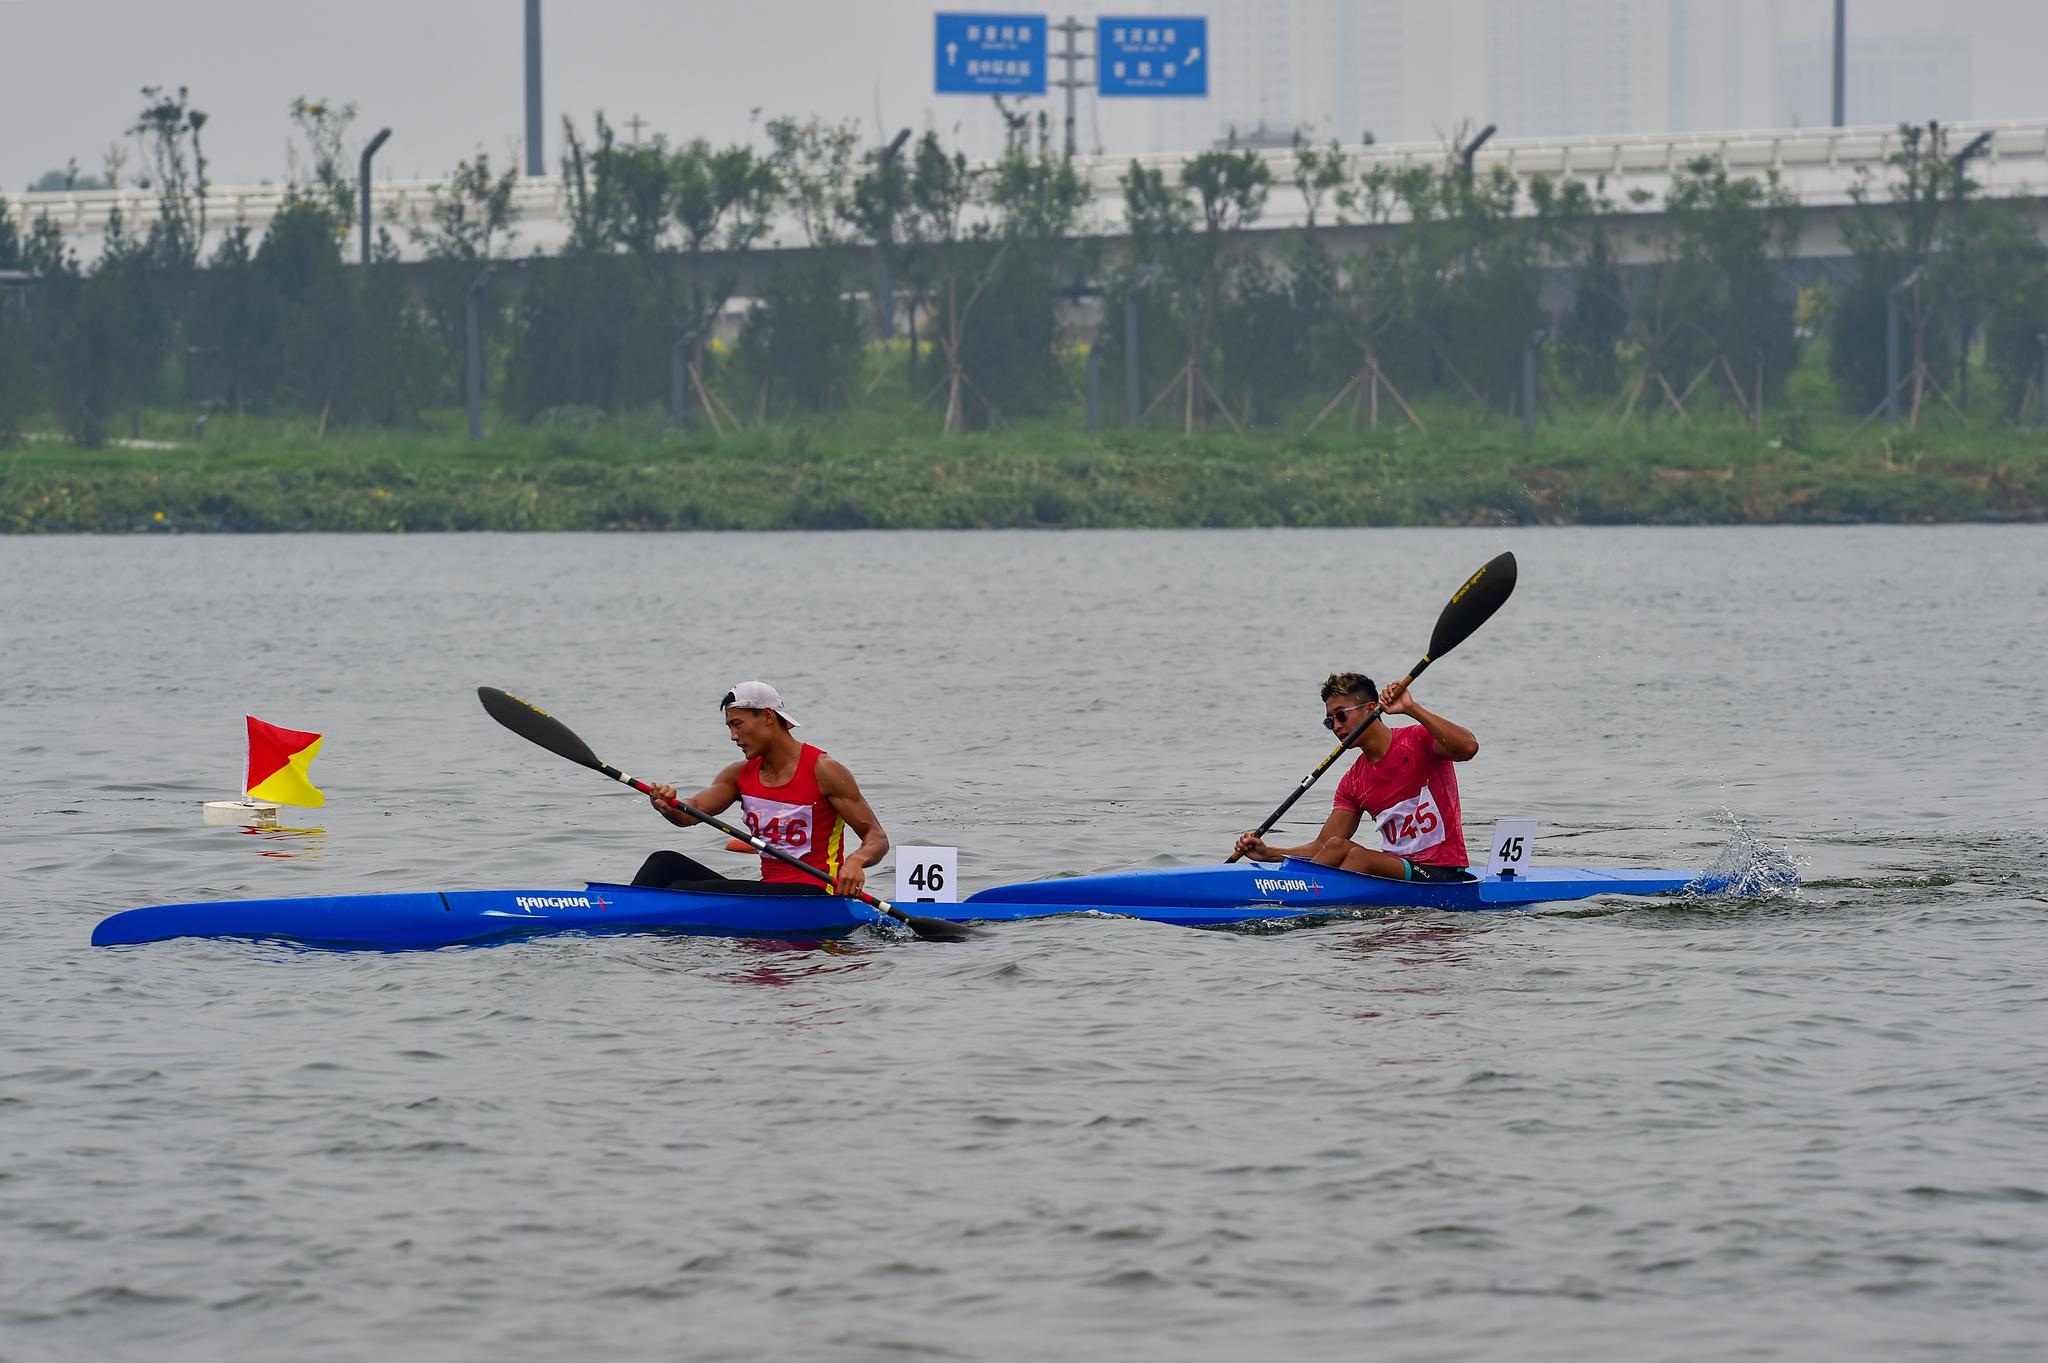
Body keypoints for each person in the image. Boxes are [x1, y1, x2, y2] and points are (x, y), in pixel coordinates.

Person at [631, 681, 889, 898]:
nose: (733, 736)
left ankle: (626, 916)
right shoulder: (738, 774)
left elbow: (876, 837)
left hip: (815, 893)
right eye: (729, 727)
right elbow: (690, 813)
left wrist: (855, 861)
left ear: (767, 716)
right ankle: (615, 910)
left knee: (679, 889)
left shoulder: (824, 771)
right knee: (662, 863)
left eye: (737, 724)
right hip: (770, 893)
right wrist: (667, 804)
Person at [1232, 671, 1478, 882]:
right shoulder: (1352, 781)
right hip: (1399, 873)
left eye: (1341, 715)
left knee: (1356, 857)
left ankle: (1303, 902)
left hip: (1442, 873)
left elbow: (1468, 748)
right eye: (1330, 721)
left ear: (1371, 709)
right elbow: (1323, 846)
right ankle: (1299, 892)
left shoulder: (1418, 739)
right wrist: (1271, 853)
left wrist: (1412, 708)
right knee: (1337, 845)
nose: (1337, 726)